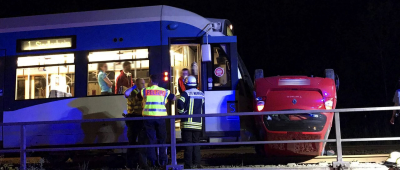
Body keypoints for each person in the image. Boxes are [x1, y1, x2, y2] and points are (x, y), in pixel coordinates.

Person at [139, 74, 175, 167]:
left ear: (150, 81)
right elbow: (174, 97)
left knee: (151, 140)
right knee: (162, 139)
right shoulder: (164, 91)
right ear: (158, 82)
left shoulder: (145, 91)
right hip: (161, 118)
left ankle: (153, 161)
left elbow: (137, 97)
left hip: (148, 118)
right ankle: (163, 160)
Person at [177, 76, 204, 169]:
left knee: (188, 145)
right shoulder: (201, 94)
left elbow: (180, 102)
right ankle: (197, 164)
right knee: (196, 144)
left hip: (187, 124)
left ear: (186, 84)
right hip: (198, 124)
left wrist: (182, 113)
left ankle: (188, 165)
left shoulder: (185, 93)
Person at [124, 78, 146, 169]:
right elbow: (126, 94)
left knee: (142, 142)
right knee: (132, 142)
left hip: (141, 119)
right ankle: (130, 165)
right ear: (137, 84)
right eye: (142, 83)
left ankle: (142, 164)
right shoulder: (132, 93)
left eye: (144, 83)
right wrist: (133, 87)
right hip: (133, 119)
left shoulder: (144, 92)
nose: (144, 85)